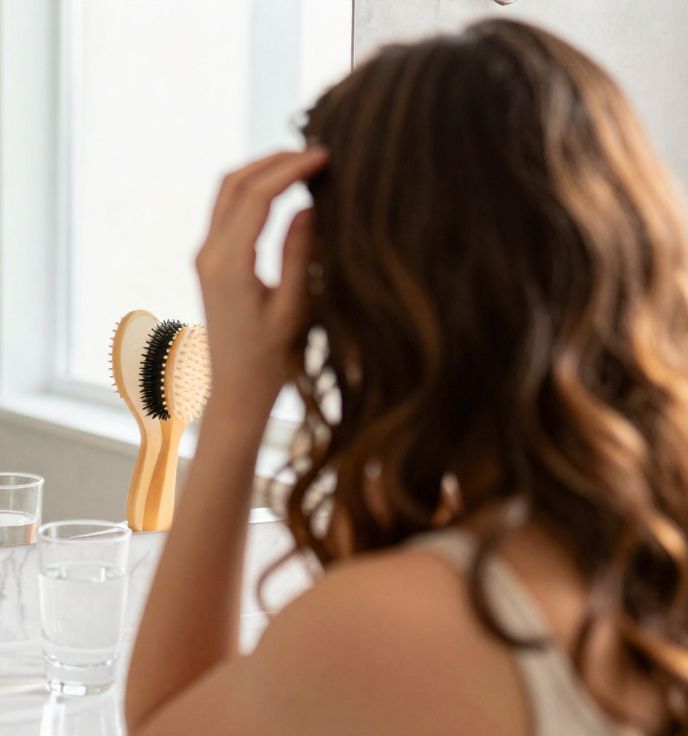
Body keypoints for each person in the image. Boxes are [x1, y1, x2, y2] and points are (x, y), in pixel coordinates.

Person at [126, 18, 687, 735]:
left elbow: (162, 724)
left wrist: (238, 401)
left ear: (359, 297)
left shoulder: (396, 626)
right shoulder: (646, 552)